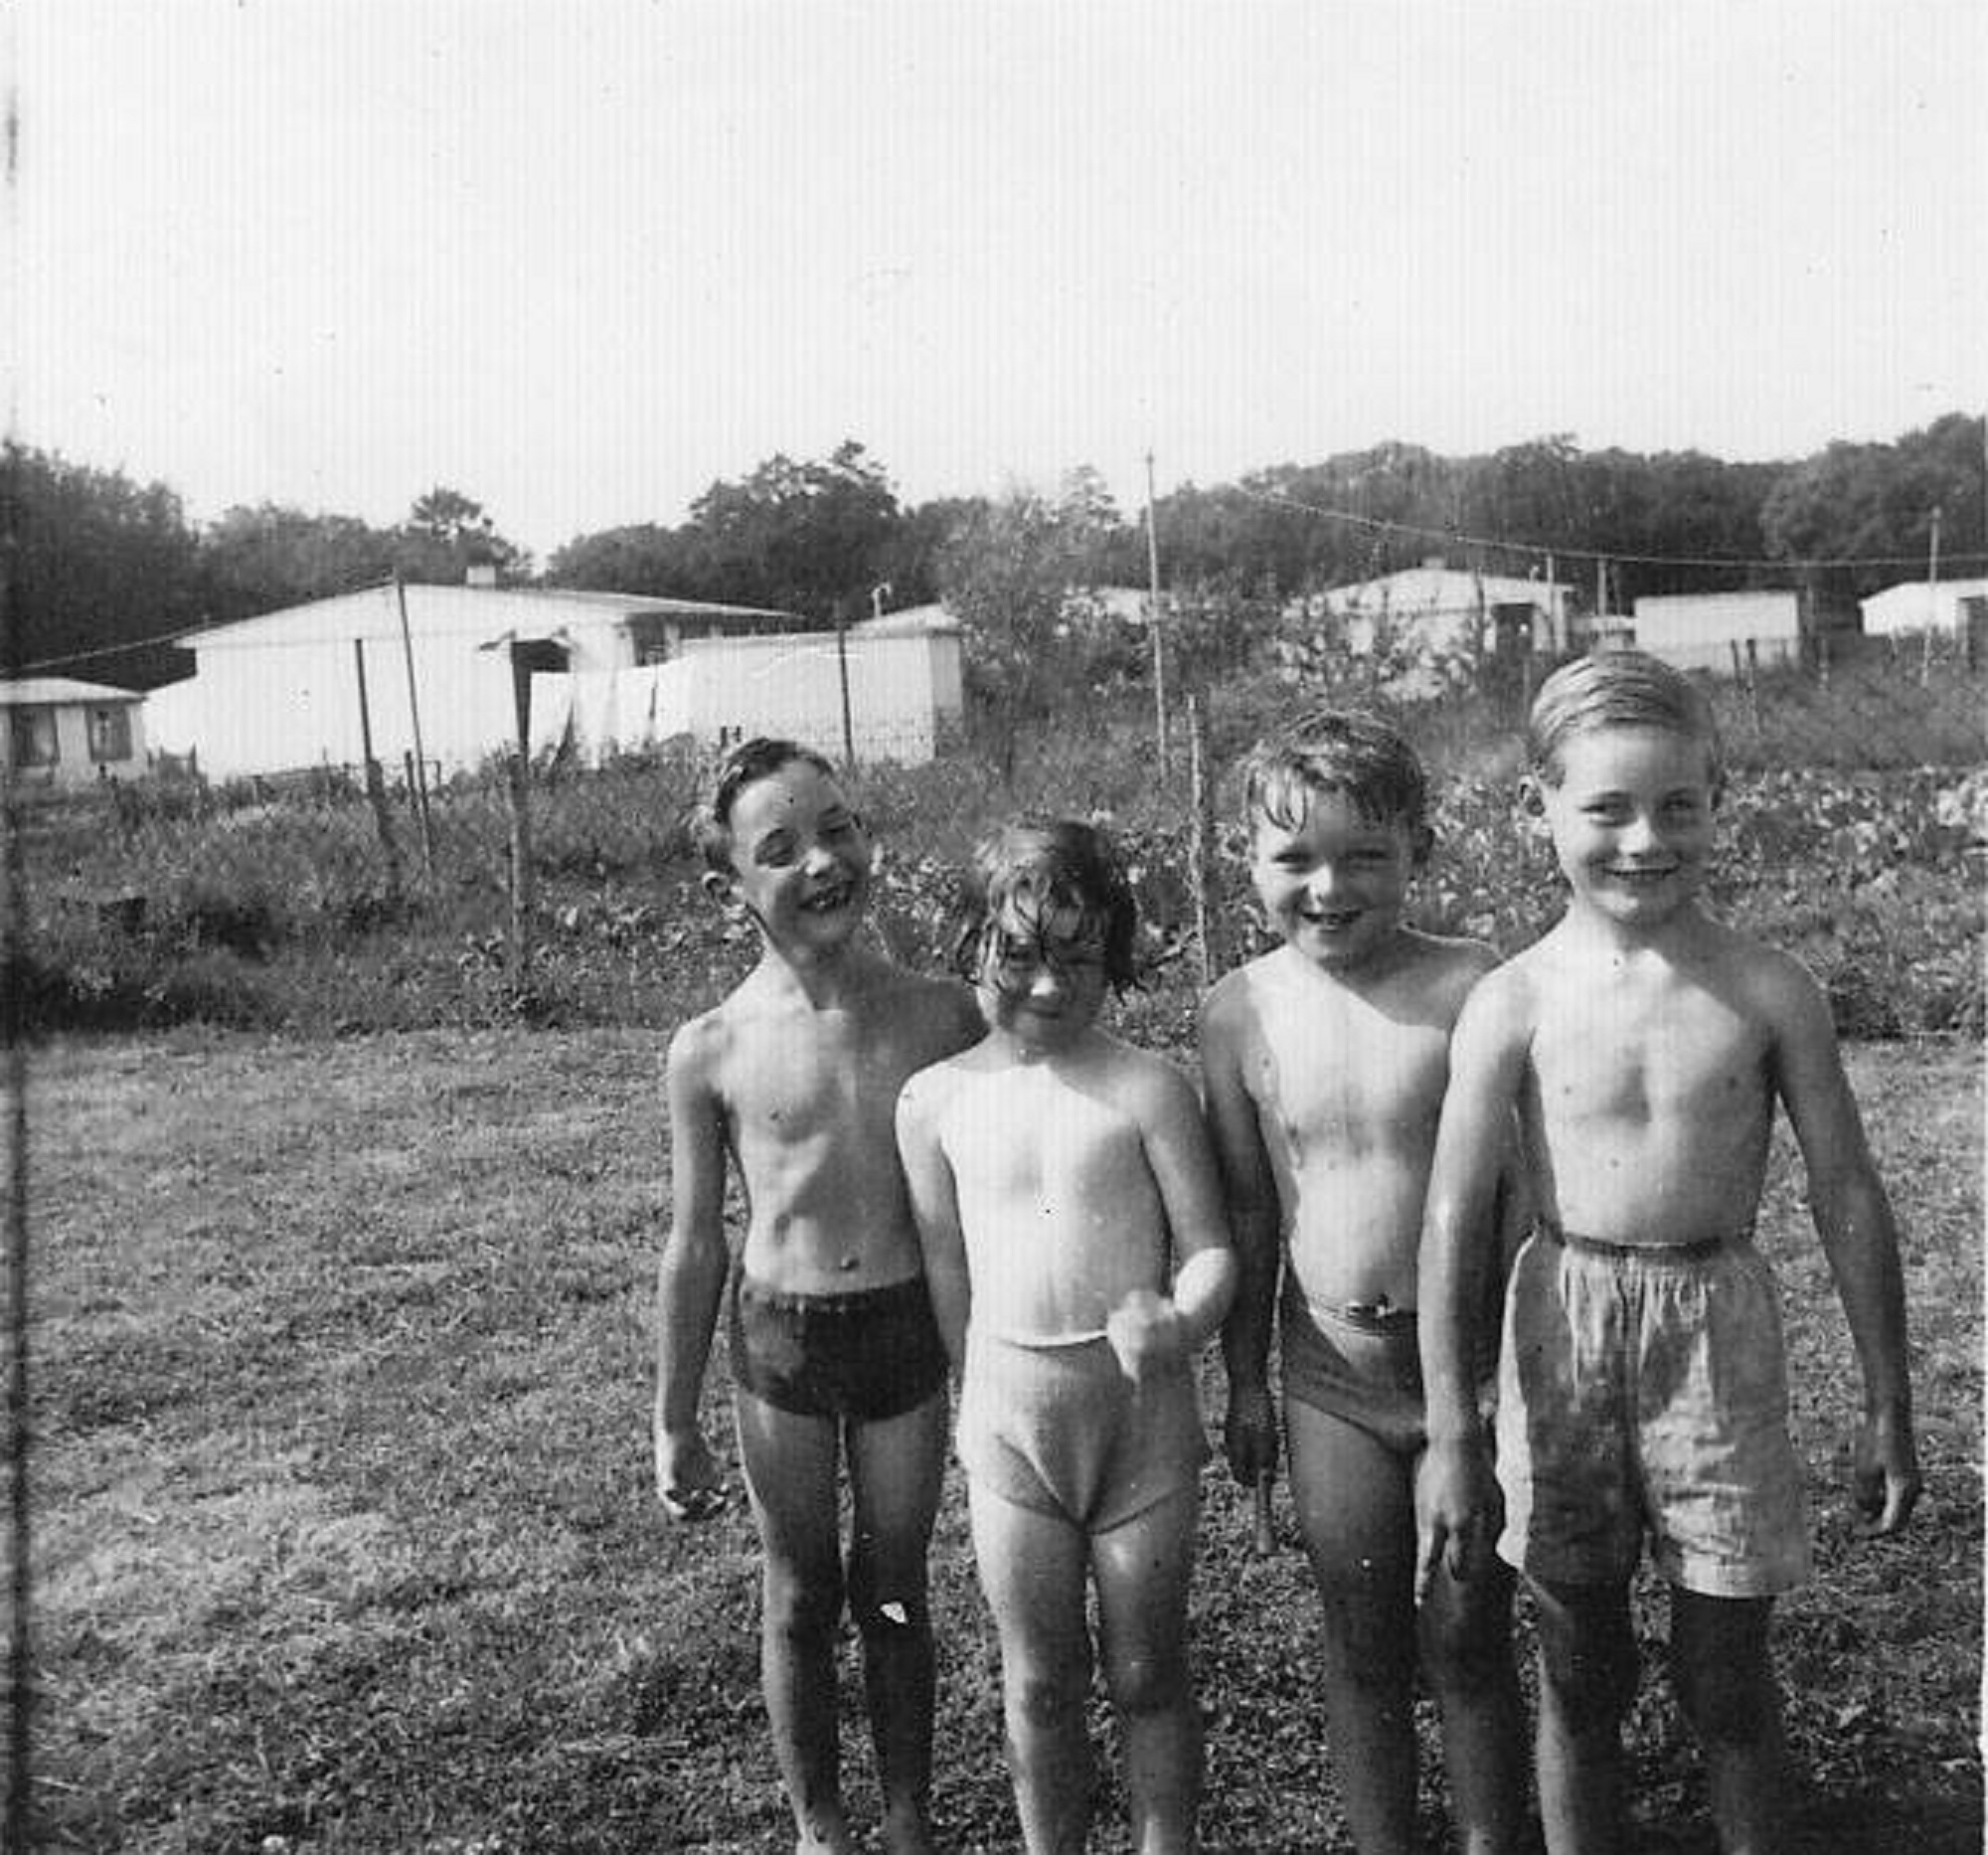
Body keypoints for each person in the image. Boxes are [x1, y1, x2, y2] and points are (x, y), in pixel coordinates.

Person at [1415, 650, 1921, 1855]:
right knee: (1578, 1664)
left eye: (1676, 806)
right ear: (1538, 803)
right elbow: (1448, 1213)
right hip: (1560, 1326)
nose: (1643, 839)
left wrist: (1886, 1401)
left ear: (1716, 799)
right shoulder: (1512, 1000)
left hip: (1715, 1331)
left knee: (1725, 1671)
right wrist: (1449, 1429)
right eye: (1605, 807)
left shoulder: (1765, 987)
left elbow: (1843, 1189)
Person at [1201, 710, 1528, 1855]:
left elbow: (1511, 1207)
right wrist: (1244, 1378)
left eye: (1363, 858)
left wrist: (1487, 1402)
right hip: (1323, 1373)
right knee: (1359, 1638)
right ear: (1243, 861)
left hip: (1468, 1375)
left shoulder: (1469, 987)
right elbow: (1247, 1209)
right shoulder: (1234, 1011)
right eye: (1293, 859)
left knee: (1467, 1629)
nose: (1326, 887)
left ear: (1420, 854)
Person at [653, 737, 983, 1855]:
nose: (821, 862)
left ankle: (902, 1820)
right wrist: (672, 1419)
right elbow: (696, 1245)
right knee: (797, 1592)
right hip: (780, 1347)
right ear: (729, 886)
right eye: (780, 848)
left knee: (891, 1585)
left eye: (838, 829)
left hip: (902, 1333)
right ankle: (819, 1828)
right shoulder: (709, 1049)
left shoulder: (944, 1015)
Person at [895, 818, 1236, 1855]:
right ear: (967, 949)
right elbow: (947, 1268)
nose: (1048, 987)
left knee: (1147, 1669)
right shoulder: (934, 1101)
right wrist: (972, 1402)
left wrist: (1178, 1318)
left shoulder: (1145, 1088)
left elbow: (1211, 1250)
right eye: (1018, 957)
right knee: (1038, 1678)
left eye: (1079, 959)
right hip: (1010, 1426)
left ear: (1115, 959)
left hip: (1138, 1423)